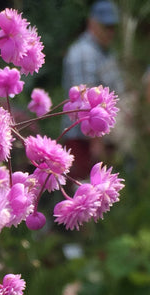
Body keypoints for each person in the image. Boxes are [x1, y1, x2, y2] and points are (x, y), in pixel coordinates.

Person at [61, 0, 124, 180]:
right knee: (82, 191)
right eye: (106, 26)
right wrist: (97, 144)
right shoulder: (84, 54)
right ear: (92, 23)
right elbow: (86, 104)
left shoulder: (104, 52)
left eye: (113, 26)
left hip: (103, 138)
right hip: (84, 143)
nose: (110, 31)